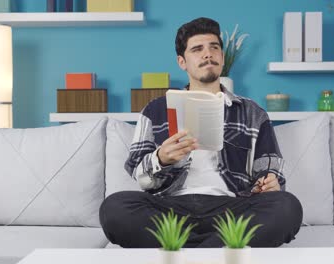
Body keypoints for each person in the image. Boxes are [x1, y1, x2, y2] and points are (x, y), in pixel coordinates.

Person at [100, 17, 302, 248]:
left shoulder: (252, 112)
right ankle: (219, 248)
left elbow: (270, 172)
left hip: (232, 210)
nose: (208, 54)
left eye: (214, 47)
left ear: (222, 57)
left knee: (287, 207)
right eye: (197, 49)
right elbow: (141, 178)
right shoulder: (155, 110)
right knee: (114, 208)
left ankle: (185, 250)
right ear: (182, 61)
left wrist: (270, 183)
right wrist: (161, 159)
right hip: (171, 210)